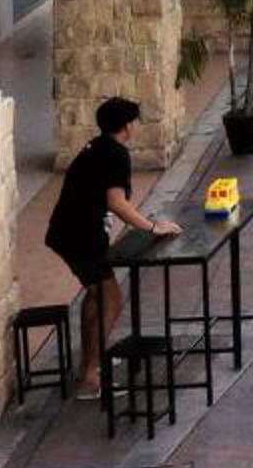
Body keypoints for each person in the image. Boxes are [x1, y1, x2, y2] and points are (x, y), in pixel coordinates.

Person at [45, 97, 178, 396]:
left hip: (68, 233)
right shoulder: (116, 154)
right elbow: (116, 203)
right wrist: (153, 227)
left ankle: (89, 363)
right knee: (111, 299)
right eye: (134, 121)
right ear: (127, 126)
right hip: (81, 236)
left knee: (97, 295)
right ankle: (90, 378)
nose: (136, 126)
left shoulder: (96, 146)